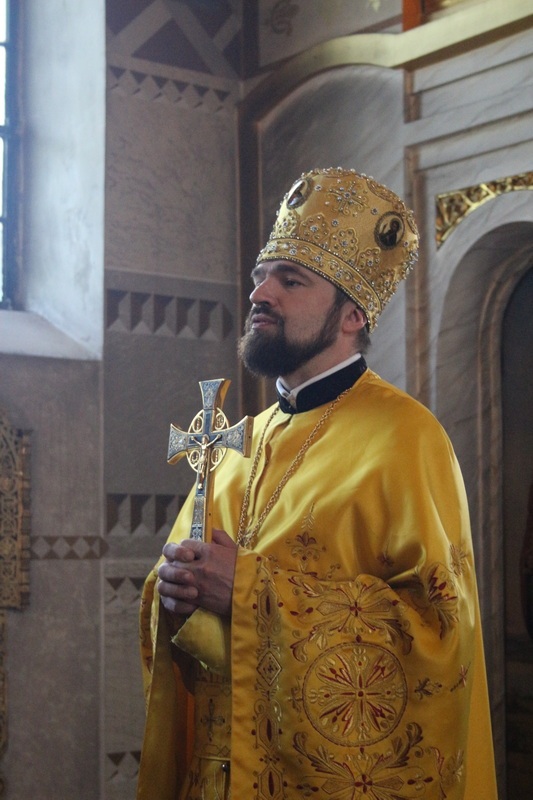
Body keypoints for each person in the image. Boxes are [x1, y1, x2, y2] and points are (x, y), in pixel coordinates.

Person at [136, 167, 498, 800]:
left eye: (290, 280)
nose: (261, 293)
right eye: (260, 277)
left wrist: (249, 592)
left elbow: (440, 635)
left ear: (353, 313)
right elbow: (187, 620)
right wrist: (171, 592)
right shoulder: (233, 442)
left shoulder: (406, 437)